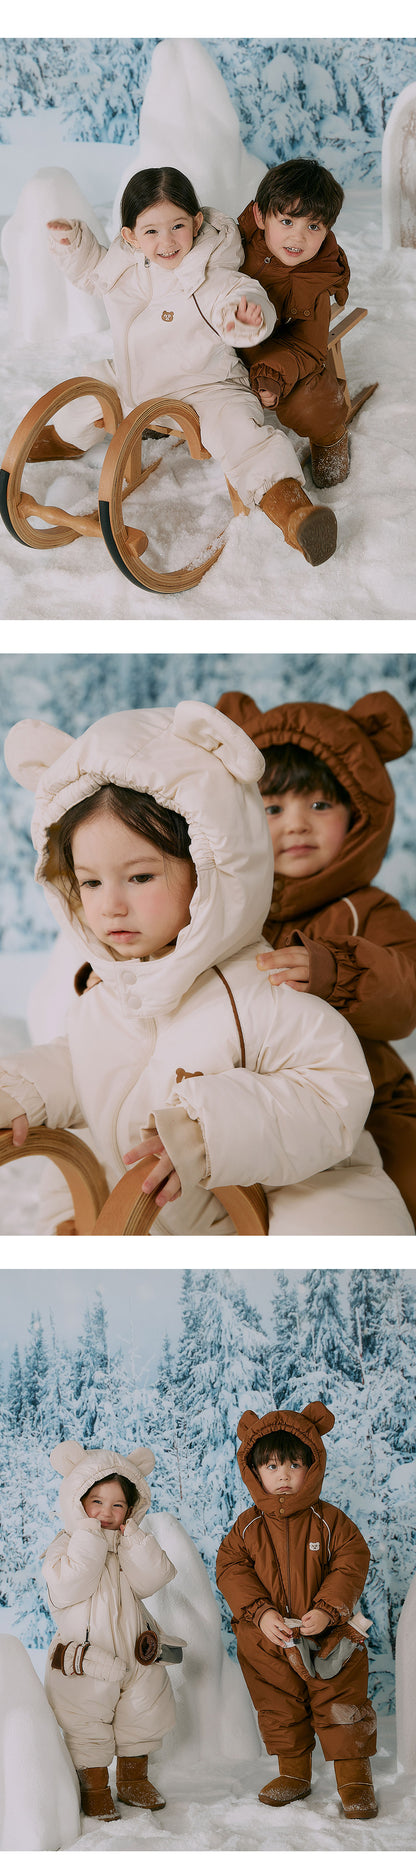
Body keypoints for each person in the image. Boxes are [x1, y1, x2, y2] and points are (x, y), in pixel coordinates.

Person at [0, 703, 412, 1235]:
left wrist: (204, 1129)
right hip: (162, 1214)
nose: (110, 906)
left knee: (340, 1214)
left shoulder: (265, 987)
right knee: (92, 1154)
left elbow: (332, 1090)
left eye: (141, 877)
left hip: (288, 1195)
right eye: (91, 883)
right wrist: (19, 1090)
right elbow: (85, 1065)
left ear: (209, 865)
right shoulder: (105, 999)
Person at [28, 165, 338, 565]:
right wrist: (75, 247)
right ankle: (61, 441)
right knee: (88, 387)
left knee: (241, 436)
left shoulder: (209, 268)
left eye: (178, 226)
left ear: (196, 222)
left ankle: (294, 513)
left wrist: (246, 318)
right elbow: (94, 274)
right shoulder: (126, 263)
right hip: (135, 379)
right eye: (152, 231)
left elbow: (236, 292)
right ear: (131, 237)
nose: (168, 241)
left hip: (205, 386)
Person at [216, 686, 416, 1228]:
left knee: (399, 1184)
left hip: (370, 1099)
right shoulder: (224, 905)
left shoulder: (370, 909)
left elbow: (406, 995)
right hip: (254, 1100)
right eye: (273, 807)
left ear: (358, 815)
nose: (297, 824)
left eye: (320, 804)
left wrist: (339, 970)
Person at [216, 1400, 378, 1820]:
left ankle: (355, 1779)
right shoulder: (247, 1526)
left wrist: (327, 1609)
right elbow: (231, 1568)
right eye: (271, 1466)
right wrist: (260, 1614)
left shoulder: (330, 1522)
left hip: (326, 1634)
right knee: (277, 1705)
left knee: (342, 1702)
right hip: (269, 1639)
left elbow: (351, 1560)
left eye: (292, 1465)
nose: (283, 1475)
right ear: (254, 1472)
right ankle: (294, 1773)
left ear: (312, 1466)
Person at [42, 1439, 178, 1821]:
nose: (107, 1512)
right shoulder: (65, 1545)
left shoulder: (128, 1544)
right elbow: (70, 1585)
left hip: (135, 1650)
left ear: (131, 1509)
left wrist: (132, 1536)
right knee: (84, 1718)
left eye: (118, 1504)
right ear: (78, 1503)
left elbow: (155, 1577)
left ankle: (134, 1778)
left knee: (143, 1711)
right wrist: (89, 1537)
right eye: (96, 1502)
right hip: (86, 1656)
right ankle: (95, 1785)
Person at [237, 158, 351, 488]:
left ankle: (330, 437)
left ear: (327, 230)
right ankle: (159, 412)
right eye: (287, 221)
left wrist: (271, 373)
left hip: (277, 348)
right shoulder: (234, 244)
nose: (297, 237)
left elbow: (307, 347)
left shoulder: (313, 280)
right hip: (224, 334)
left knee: (311, 400)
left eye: (313, 227)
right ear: (260, 216)